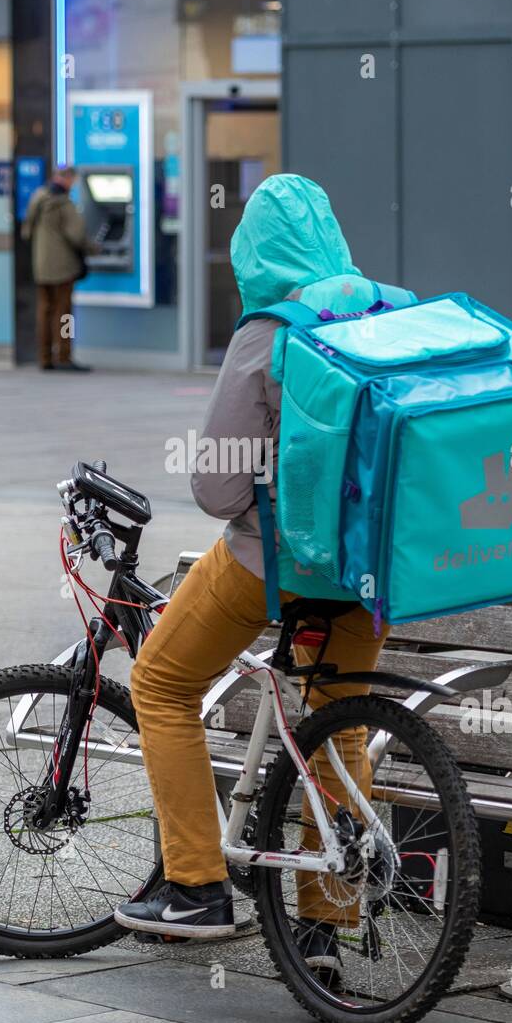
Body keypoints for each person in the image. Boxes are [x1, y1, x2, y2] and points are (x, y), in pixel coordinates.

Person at [114, 174, 388, 977]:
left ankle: (196, 887)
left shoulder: (270, 331)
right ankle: (323, 929)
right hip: (370, 570)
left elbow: (217, 490)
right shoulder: (388, 312)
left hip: (276, 562)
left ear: (251, 255)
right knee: (338, 724)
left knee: (160, 683)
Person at [21, 165, 92, 372]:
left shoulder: (39, 199)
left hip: (41, 265)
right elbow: (77, 236)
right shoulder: (64, 203)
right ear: (69, 179)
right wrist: (95, 248)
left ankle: (44, 357)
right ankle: (64, 356)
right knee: (65, 314)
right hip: (63, 267)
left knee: (45, 311)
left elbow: (27, 232)